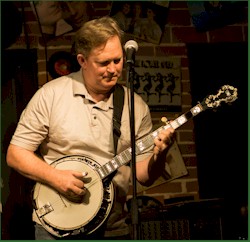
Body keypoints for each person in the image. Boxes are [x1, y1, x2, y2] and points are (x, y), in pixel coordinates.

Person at [6, 16, 174, 240]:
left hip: (112, 228)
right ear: (82, 60)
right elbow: (16, 154)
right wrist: (56, 178)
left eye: (117, 60)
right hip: (56, 227)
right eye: (103, 63)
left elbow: (143, 175)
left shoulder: (135, 106)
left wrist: (159, 155)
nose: (113, 69)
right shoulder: (51, 94)